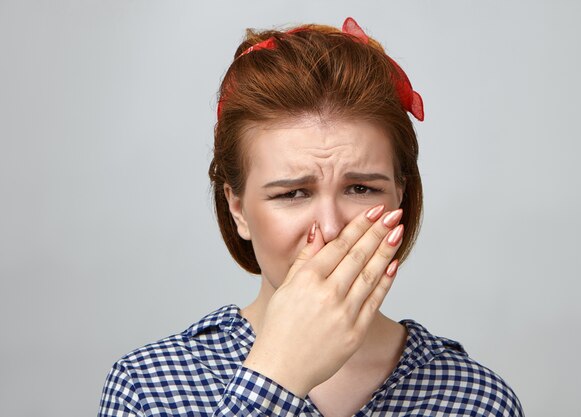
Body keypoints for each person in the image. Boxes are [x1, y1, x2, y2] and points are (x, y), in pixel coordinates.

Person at [98, 17, 524, 417]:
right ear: (237, 208)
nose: (332, 227)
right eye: (293, 193)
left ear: (401, 197)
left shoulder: (476, 399)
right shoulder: (147, 387)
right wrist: (278, 375)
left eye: (361, 189)